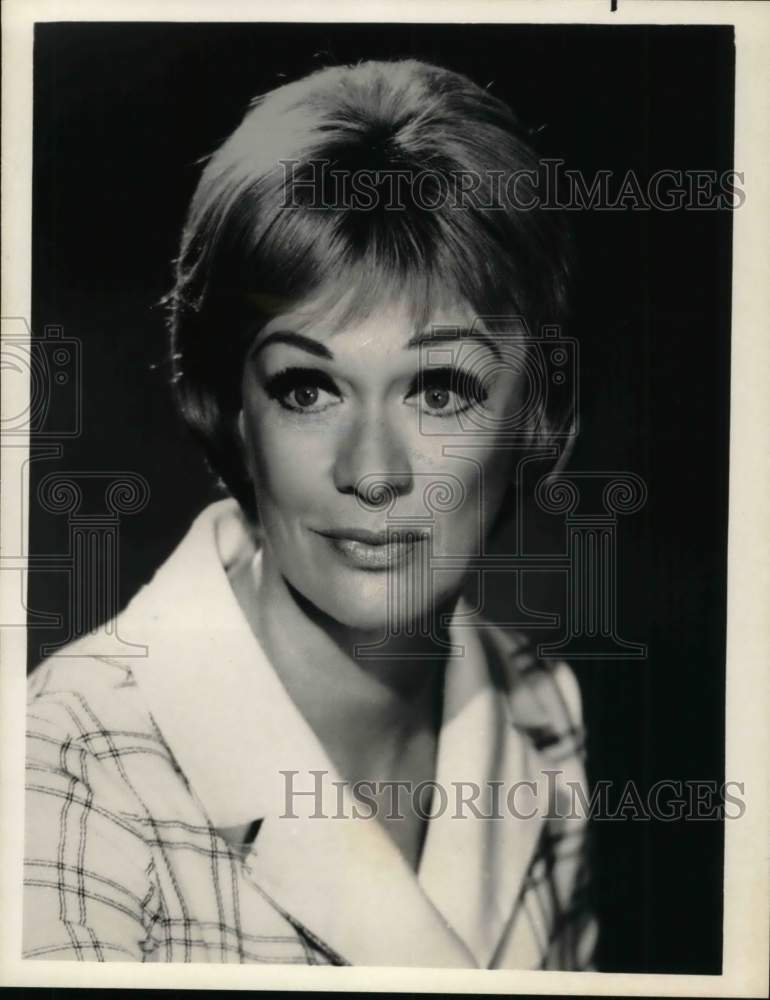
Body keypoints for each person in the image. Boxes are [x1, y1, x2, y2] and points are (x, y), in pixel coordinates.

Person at [24, 58, 596, 968]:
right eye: (308, 389)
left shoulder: (542, 715)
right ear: (232, 409)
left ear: (537, 416)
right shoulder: (70, 766)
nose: (372, 472)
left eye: (440, 390)